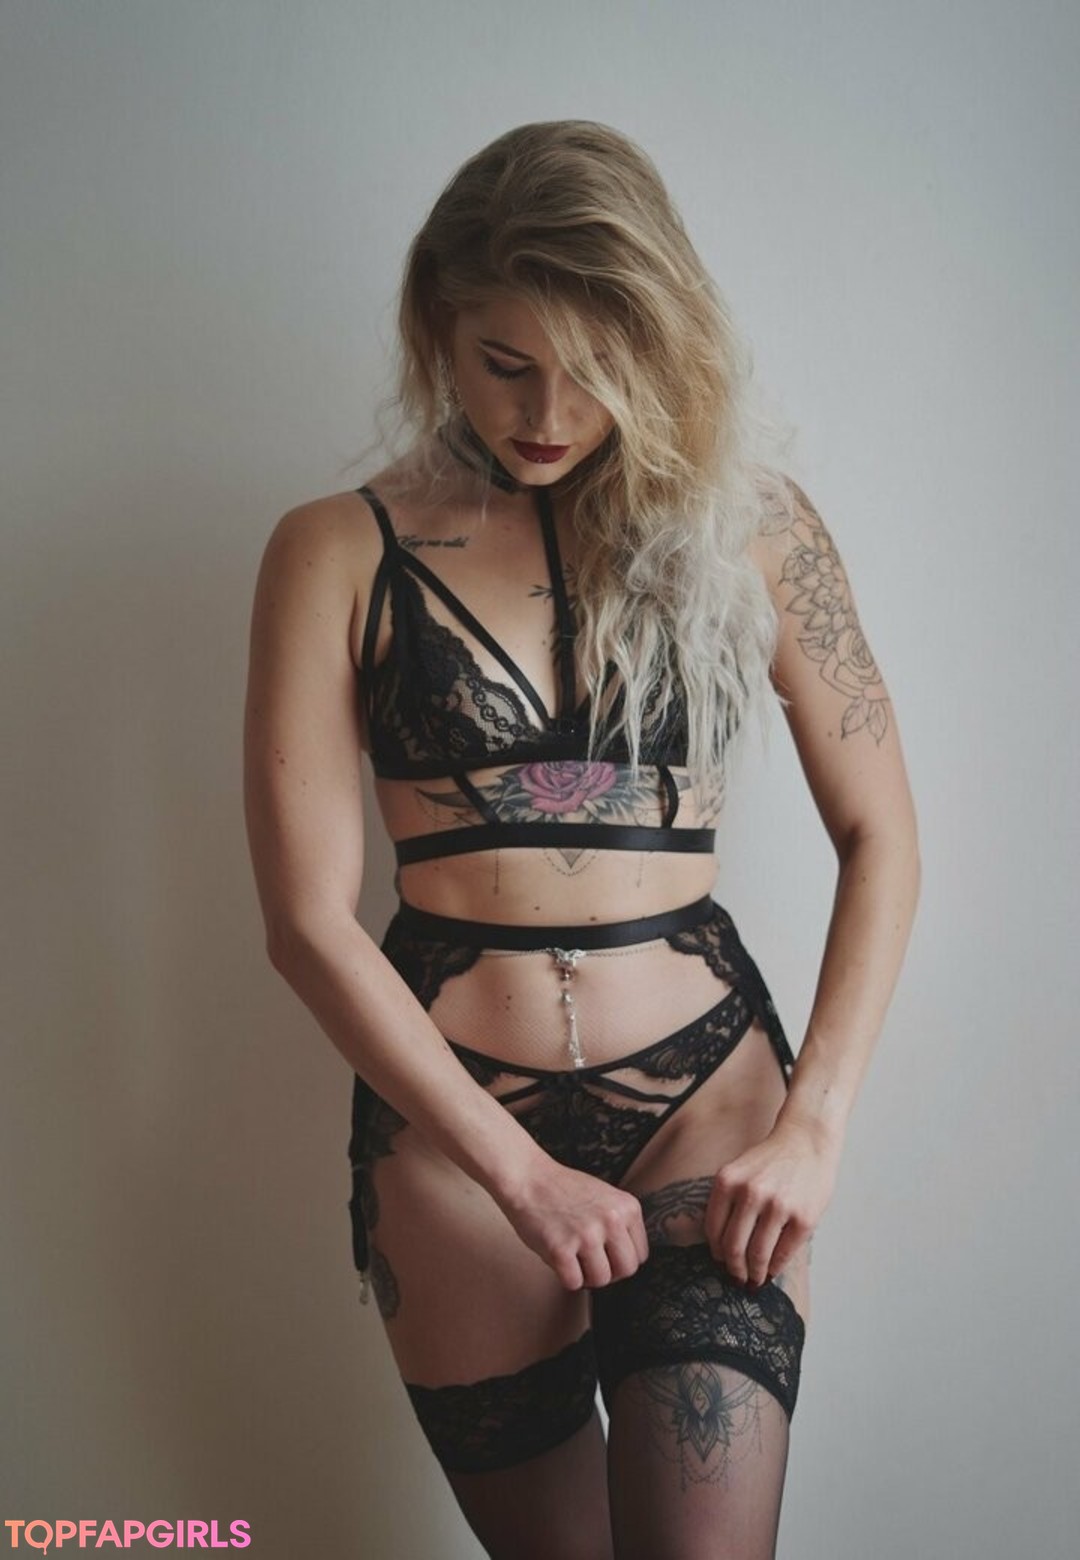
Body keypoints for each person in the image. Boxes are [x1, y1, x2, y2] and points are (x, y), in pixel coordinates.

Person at [243, 120, 920, 1560]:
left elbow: (882, 838)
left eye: (598, 366)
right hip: (452, 1131)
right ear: (441, 327)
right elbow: (305, 921)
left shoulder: (757, 531)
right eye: (506, 364)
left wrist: (815, 1127)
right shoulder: (335, 551)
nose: (548, 413)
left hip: (710, 1106)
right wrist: (517, 1172)